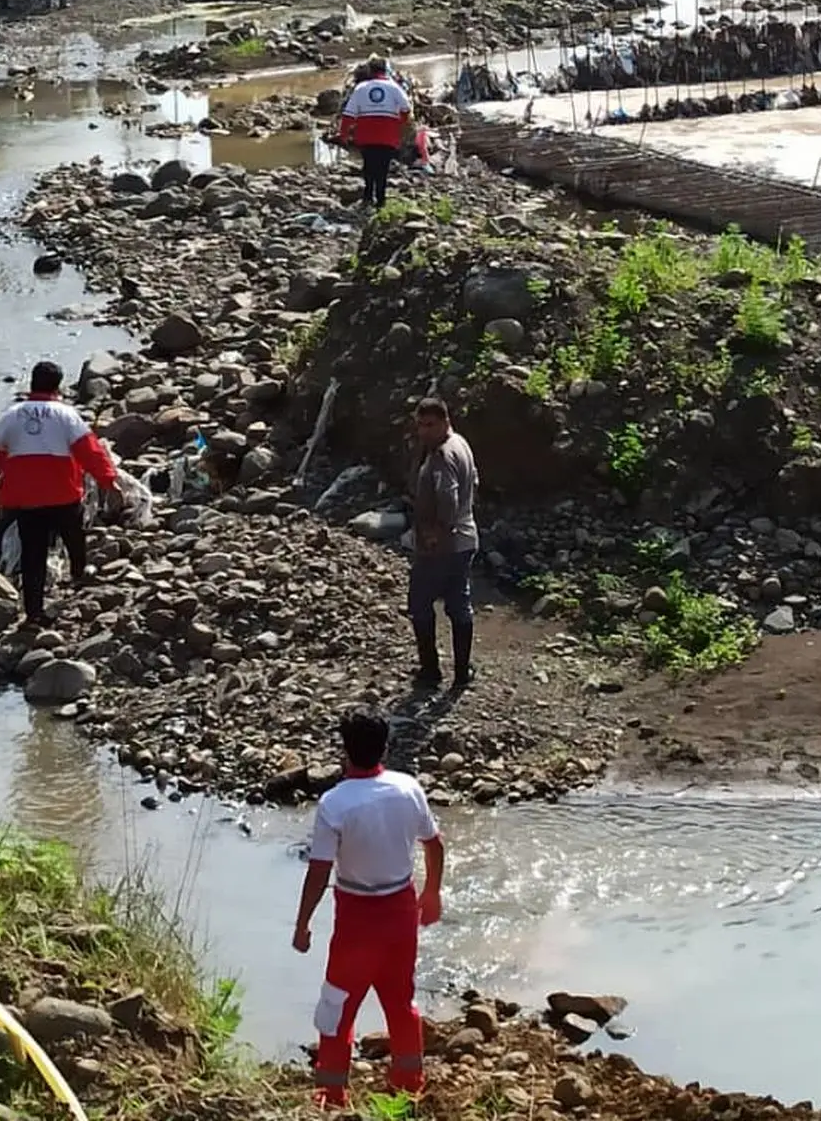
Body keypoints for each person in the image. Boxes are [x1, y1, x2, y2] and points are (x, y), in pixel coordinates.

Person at [293, 707, 443, 1111]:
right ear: (385, 748)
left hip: (357, 921)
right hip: (400, 914)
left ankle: (331, 1095)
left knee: (335, 1007)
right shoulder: (408, 788)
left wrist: (303, 924)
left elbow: (319, 872)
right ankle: (409, 1085)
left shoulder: (334, 803)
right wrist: (432, 893)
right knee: (400, 1002)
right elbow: (434, 844)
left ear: (345, 751)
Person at [0, 360, 119, 625]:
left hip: (24, 498)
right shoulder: (66, 415)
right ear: (58, 386)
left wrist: (8, 471)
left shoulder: (12, 414)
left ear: (32, 383)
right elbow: (90, 451)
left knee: (32, 553)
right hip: (62, 493)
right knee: (74, 532)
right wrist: (108, 481)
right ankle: (79, 572)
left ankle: (34, 612)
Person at [408, 396, 479, 689]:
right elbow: (474, 482)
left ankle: (430, 670)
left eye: (430, 425)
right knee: (458, 603)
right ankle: (462, 674)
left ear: (445, 422)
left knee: (419, 603)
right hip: (465, 538)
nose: (424, 431)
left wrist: (435, 533)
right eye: (421, 425)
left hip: (443, 545)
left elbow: (447, 497)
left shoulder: (441, 456)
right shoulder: (460, 443)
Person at [338, 56, 411, 210]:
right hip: (388, 135)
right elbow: (406, 109)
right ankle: (381, 200)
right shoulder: (395, 87)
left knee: (368, 166)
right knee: (383, 168)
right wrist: (400, 124)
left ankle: (367, 197)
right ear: (386, 70)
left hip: (366, 136)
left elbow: (348, 115)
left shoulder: (360, 88)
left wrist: (343, 135)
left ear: (370, 71)